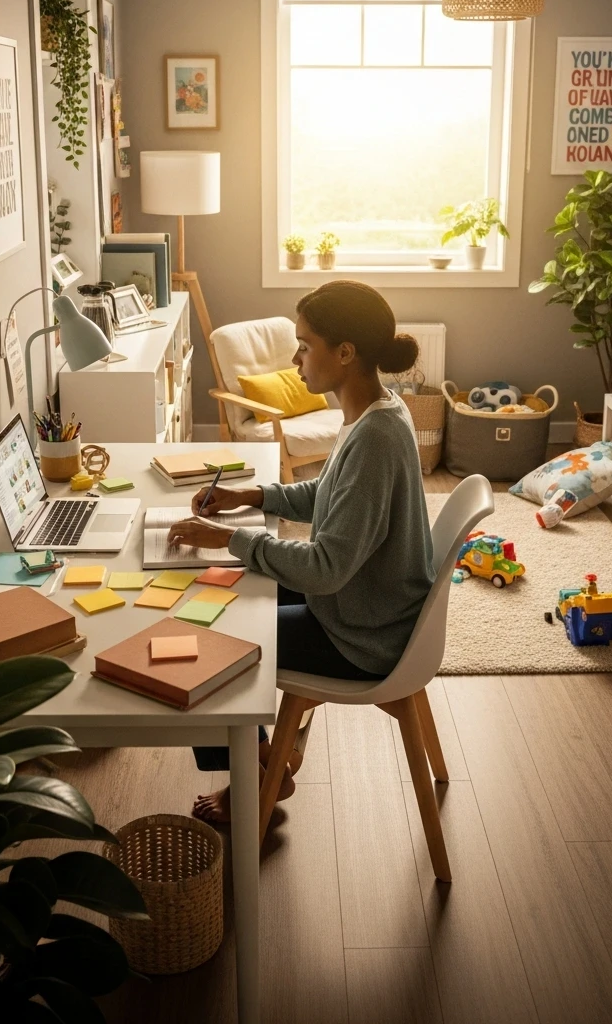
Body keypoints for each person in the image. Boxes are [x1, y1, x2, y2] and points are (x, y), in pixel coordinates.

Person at [167, 280, 435, 823]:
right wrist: (252, 495)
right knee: (214, 593)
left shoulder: (376, 437)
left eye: (304, 344)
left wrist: (231, 538)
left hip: (363, 632)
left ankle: (261, 776)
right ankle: (265, 761)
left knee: (208, 649)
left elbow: (326, 569)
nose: (295, 358)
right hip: (365, 604)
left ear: (344, 353)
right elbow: (332, 495)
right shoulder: (376, 412)